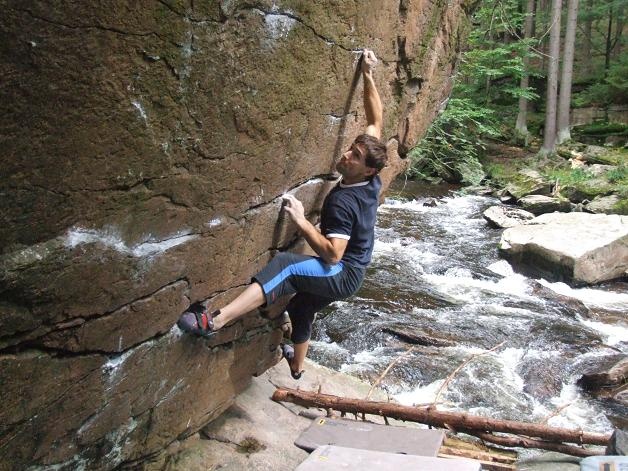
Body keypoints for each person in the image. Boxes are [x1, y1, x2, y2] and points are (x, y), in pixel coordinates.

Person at [178, 49, 387, 379]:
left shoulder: (345, 203)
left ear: (368, 171)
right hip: (354, 274)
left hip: (343, 272)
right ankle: (298, 367)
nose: (347, 156)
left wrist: (302, 221)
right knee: (301, 306)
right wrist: (368, 74)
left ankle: (212, 321)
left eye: (356, 157)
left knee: (286, 267)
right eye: (351, 149)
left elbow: (333, 255)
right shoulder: (371, 177)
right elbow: (375, 121)